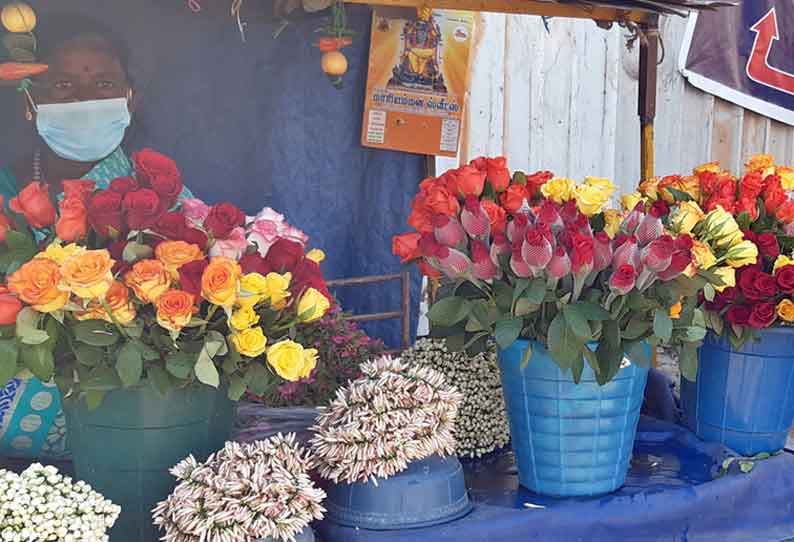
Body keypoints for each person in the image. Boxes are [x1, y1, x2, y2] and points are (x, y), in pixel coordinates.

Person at [0, 14, 192, 460]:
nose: (84, 100)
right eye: (63, 87)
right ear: (32, 103)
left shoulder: (164, 199)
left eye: (104, 85)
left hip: (127, 423)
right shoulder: (8, 192)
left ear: (131, 100)